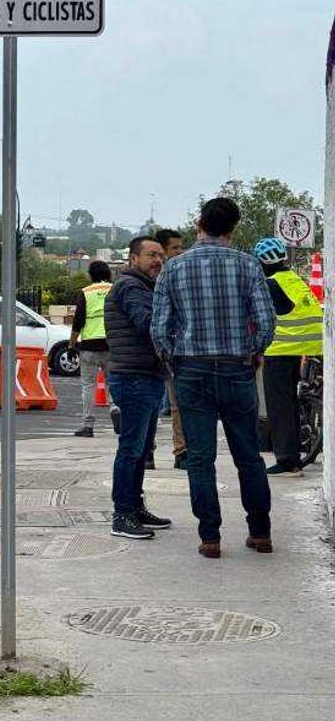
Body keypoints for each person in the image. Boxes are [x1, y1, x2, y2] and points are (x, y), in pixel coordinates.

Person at [151, 197, 275, 558]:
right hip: (237, 367)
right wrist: (251, 351)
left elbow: (159, 328)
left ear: (198, 224)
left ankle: (210, 537)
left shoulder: (173, 268)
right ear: (233, 229)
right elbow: (267, 322)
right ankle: (260, 531)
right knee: (249, 456)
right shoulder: (249, 266)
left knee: (200, 458)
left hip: (192, 369)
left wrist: (176, 362)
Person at [104, 237, 172, 540]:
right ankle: (122, 514)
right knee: (131, 449)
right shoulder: (131, 287)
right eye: (151, 255)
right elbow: (147, 323)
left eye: (160, 255)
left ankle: (134, 505)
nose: (157, 260)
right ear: (134, 258)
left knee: (141, 448)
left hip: (146, 375)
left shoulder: (144, 286)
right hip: (133, 377)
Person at [253, 236, 323, 477]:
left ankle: (287, 461)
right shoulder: (295, 279)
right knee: (292, 401)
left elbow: (259, 317)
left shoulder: (270, 284)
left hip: (282, 349)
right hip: (310, 345)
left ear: (261, 262)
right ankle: (297, 447)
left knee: (279, 405)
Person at [154, 228, 188, 469]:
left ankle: (181, 451)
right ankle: (146, 451)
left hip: (171, 351)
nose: (180, 252)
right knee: (148, 407)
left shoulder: (179, 275)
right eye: (175, 248)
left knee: (178, 406)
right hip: (150, 353)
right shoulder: (150, 279)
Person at [68, 260, 112, 438]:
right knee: (114, 382)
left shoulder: (86, 292)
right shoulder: (116, 289)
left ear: (91, 275)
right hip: (112, 344)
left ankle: (87, 425)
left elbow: (78, 322)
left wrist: (71, 345)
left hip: (89, 346)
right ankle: (116, 409)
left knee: (88, 385)